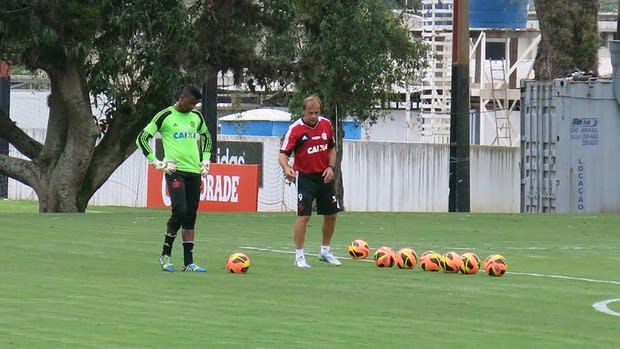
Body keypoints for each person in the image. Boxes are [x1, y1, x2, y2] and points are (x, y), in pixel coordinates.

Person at [136, 85, 212, 272]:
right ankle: (165, 254)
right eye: (191, 102)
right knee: (180, 210)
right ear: (182, 98)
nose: (193, 107)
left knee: (190, 215)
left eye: (196, 104)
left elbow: (207, 137)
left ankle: (189, 262)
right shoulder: (165, 116)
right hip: (175, 170)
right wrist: (156, 162)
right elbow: (142, 138)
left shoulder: (197, 117)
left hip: (194, 171)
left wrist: (206, 159)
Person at [279, 95, 341, 268]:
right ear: (303, 111)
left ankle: (325, 251)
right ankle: (299, 256)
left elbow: (331, 148)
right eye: (310, 113)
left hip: (324, 177)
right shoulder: (295, 129)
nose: (314, 116)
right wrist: (286, 168)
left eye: (317, 112)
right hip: (305, 178)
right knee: (303, 216)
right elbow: (283, 154)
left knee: (331, 215)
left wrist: (331, 167)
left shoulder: (326, 124)